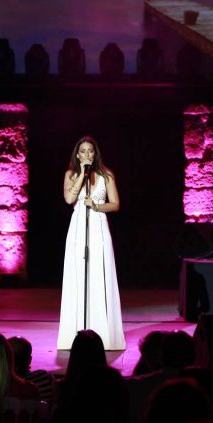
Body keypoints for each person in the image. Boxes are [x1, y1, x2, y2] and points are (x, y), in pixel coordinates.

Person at [56, 137, 125, 351]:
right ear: (77, 155)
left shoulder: (106, 175)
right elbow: (69, 200)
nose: (87, 154)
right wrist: (81, 175)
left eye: (90, 151)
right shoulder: (70, 174)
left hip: (98, 226)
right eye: (83, 151)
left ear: (95, 154)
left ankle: (102, 332)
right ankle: (75, 333)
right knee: (79, 274)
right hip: (78, 227)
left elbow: (115, 204)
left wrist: (96, 206)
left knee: (98, 273)